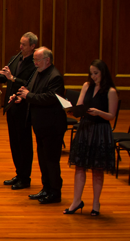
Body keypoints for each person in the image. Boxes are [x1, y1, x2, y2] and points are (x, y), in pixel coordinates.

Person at [12, 47, 66, 204]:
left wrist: (29, 95)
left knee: (51, 161)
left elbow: (49, 98)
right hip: (40, 125)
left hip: (52, 127)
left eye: (37, 60)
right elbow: (33, 91)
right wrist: (23, 95)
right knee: (43, 160)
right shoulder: (38, 72)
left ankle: (55, 192)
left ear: (47, 60)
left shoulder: (55, 77)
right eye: (34, 60)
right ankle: (46, 189)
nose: (34, 63)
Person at [65, 59, 117, 216]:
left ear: (103, 73)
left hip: (100, 131)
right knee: (80, 166)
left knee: (97, 169)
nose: (93, 76)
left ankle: (96, 204)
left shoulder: (111, 91)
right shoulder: (86, 86)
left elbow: (111, 116)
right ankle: (76, 201)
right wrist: (72, 110)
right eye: (91, 73)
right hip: (85, 128)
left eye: (96, 73)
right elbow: (81, 105)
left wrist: (99, 112)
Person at [0, 33, 38, 190]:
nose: (20, 47)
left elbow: (28, 83)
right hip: (11, 106)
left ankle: (25, 177)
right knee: (14, 142)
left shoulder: (35, 63)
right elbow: (8, 78)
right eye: (20, 43)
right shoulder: (16, 58)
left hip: (23, 108)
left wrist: (11, 77)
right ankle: (19, 173)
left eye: (24, 45)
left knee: (23, 144)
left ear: (32, 46)